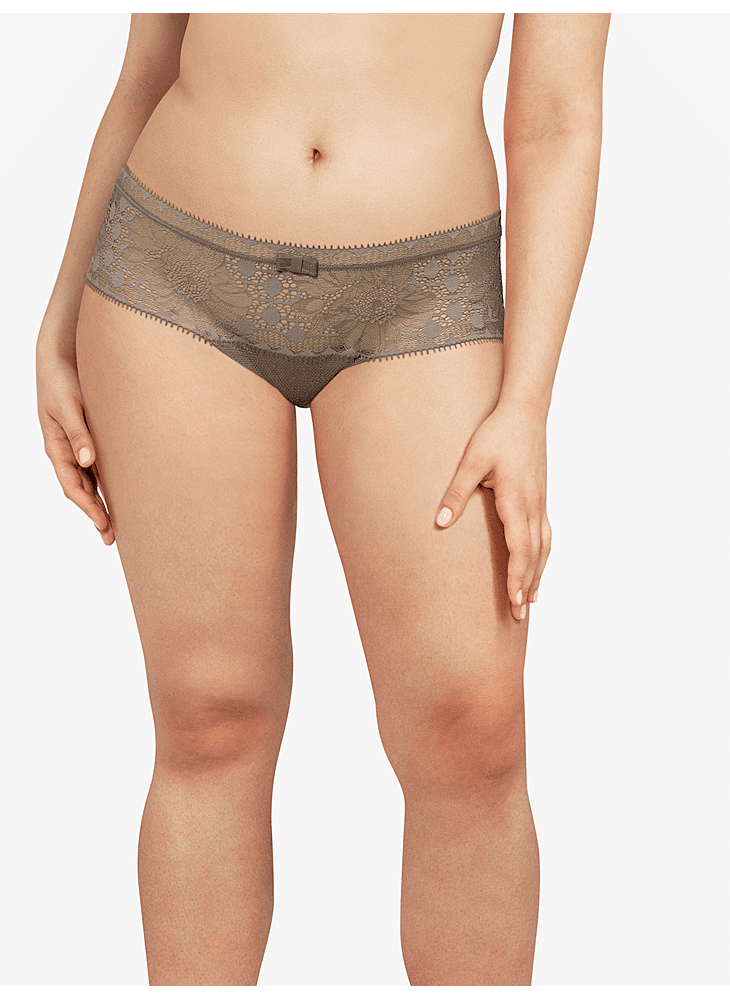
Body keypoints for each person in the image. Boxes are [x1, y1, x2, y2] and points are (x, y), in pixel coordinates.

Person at [35, 12, 611, 987]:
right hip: (170, 277)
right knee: (208, 719)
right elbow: (150, 63)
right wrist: (58, 320)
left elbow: (556, 115)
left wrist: (527, 404)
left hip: (425, 300)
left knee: (469, 733)